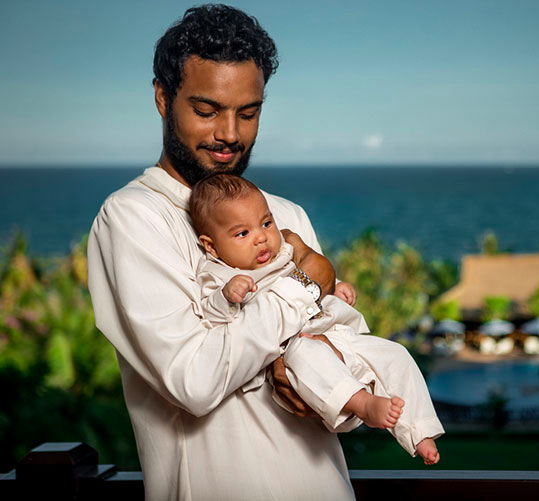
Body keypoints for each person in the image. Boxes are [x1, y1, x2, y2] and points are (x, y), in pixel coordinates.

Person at [88, 5, 355, 499]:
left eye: (248, 112)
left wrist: (320, 374)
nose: (230, 134)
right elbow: (195, 381)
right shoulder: (130, 218)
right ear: (163, 98)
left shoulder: (285, 216)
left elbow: (351, 382)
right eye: (207, 110)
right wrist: (303, 287)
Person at [189, 173, 444, 463]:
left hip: (336, 333)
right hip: (295, 347)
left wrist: (336, 287)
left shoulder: (284, 253)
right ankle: (362, 403)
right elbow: (210, 314)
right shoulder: (218, 274)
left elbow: (315, 282)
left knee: (394, 354)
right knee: (309, 356)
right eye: (242, 234)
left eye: (266, 223)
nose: (261, 237)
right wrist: (226, 296)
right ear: (211, 246)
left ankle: (419, 431)